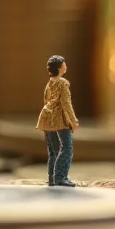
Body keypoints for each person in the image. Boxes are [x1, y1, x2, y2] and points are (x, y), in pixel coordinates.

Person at [35, 55, 79, 187]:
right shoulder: (63, 83)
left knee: (53, 151)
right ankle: (60, 177)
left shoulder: (49, 83)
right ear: (59, 68)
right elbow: (66, 103)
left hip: (46, 117)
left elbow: (46, 100)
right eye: (64, 64)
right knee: (67, 148)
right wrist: (73, 120)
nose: (65, 66)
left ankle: (52, 178)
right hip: (59, 119)